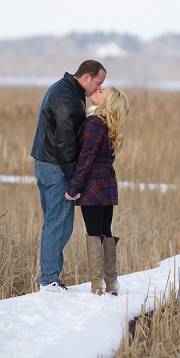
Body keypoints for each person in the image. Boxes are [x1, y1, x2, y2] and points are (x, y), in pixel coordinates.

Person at [30, 60, 106, 293]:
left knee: (54, 223)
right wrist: (75, 180)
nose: (99, 88)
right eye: (98, 83)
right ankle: (49, 281)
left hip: (45, 163)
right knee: (59, 225)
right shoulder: (68, 99)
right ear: (86, 77)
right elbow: (65, 143)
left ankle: (50, 278)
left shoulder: (63, 88)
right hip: (55, 167)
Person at [65, 86, 129, 296]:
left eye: (103, 92)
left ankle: (98, 286)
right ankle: (111, 285)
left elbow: (86, 159)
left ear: (105, 103)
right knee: (105, 232)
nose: (97, 90)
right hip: (108, 185)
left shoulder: (94, 122)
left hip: (93, 186)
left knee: (94, 233)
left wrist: (73, 187)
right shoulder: (111, 123)